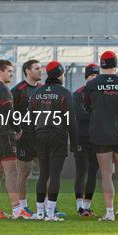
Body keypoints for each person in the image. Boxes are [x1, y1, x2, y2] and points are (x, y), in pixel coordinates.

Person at [84, 51, 118, 222]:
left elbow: (87, 106)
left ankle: (110, 213)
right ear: (115, 64)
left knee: (106, 174)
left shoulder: (93, 84)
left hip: (101, 133)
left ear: (101, 64)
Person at [0, 59, 32, 220]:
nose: (11, 74)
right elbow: (10, 113)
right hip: (4, 133)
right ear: (0, 71)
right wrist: (18, 130)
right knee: (12, 172)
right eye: (9, 71)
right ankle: (18, 209)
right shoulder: (3, 89)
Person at [30, 61, 77, 222]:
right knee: (55, 175)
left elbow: (30, 118)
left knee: (43, 174)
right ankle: (50, 214)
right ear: (60, 74)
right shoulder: (64, 92)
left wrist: (32, 139)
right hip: (58, 135)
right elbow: (70, 119)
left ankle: (40, 212)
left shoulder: (37, 92)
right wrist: (75, 142)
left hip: (40, 135)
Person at [10, 59, 42, 216]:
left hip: (41, 136)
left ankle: (46, 206)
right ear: (27, 71)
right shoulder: (18, 90)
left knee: (46, 171)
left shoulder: (43, 89)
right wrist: (17, 131)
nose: (40, 71)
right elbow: (11, 113)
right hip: (25, 137)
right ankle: (23, 206)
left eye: (40, 68)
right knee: (24, 172)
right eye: (37, 68)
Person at [72, 64, 100, 217]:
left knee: (93, 171)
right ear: (86, 78)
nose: (94, 79)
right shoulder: (78, 94)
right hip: (81, 137)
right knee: (81, 170)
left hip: (97, 138)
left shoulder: (102, 93)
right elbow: (79, 114)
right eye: (91, 76)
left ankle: (87, 206)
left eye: (96, 76)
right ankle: (79, 206)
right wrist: (98, 115)